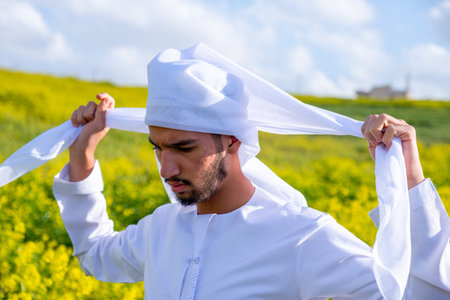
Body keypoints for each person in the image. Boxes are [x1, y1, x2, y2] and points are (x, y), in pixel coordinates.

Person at [53, 45, 450, 299]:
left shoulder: (301, 236)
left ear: (232, 141)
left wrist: (410, 179)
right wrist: (82, 155)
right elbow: (95, 255)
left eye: (184, 148)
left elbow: (422, 294)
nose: (167, 167)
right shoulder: (163, 227)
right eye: (157, 148)